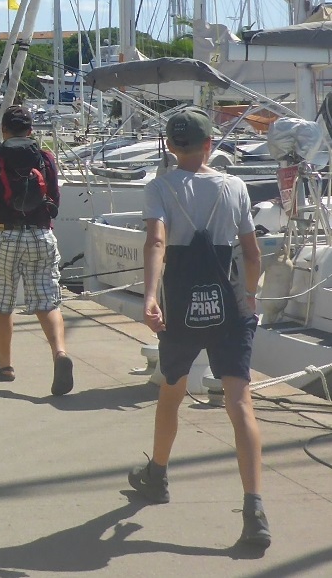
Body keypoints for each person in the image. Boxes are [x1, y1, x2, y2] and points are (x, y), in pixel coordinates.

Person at [129, 108, 269, 548]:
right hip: (230, 307)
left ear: (171, 145)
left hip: (182, 308)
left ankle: (158, 474)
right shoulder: (234, 186)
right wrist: (249, 296)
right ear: (210, 144)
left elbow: (156, 242)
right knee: (239, 402)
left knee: (171, 390)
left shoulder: (160, 187)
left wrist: (150, 296)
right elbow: (251, 254)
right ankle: (254, 509)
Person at [0, 105, 73, 395]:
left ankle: (5, 366)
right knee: (47, 301)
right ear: (31, 130)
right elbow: (54, 198)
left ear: (3, 129)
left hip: (4, 236)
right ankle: (60, 354)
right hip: (41, 235)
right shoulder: (44, 158)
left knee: (2, 303)